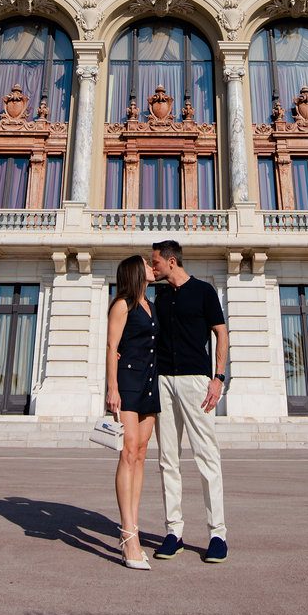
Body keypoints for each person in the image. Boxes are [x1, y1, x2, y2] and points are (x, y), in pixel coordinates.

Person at [148, 239, 229, 563]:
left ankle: (218, 534)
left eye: (155, 262)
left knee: (207, 456)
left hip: (197, 381)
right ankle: (174, 532)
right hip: (164, 381)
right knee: (168, 459)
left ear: (171, 261)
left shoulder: (204, 291)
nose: (152, 266)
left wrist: (218, 378)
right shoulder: (160, 294)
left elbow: (221, 333)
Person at [105, 254, 159, 569]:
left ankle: (134, 526)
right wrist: (112, 388)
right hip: (127, 382)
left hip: (149, 382)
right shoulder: (122, 305)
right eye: (146, 264)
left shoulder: (151, 305)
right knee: (127, 453)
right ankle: (128, 534)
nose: (152, 267)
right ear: (134, 272)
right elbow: (112, 347)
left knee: (140, 453)